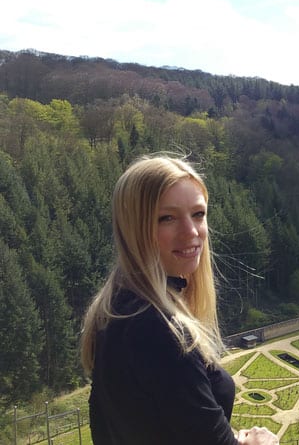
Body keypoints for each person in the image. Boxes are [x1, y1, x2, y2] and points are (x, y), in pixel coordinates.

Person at [80, 154, 278, 445]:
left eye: (198, 214)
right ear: (135, 229)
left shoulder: (115, 310)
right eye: (167, 218)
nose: (191, 232)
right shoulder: (163, 332)